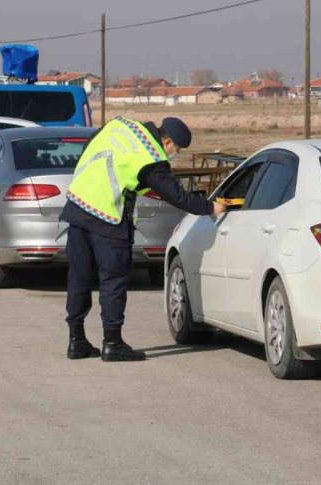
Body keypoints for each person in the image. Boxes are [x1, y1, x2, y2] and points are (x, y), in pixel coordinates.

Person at [61, 116, 227, 362]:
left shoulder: (122, 125)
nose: (174, 155)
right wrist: (209, 207)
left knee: (79, 277)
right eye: (176, 150)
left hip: (77, 206)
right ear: (167, 141)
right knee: (113, 281)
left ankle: (76, 341)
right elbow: (177, 196)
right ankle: (113, 343)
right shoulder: (150, 156)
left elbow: (96, 150)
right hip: (107, 216)